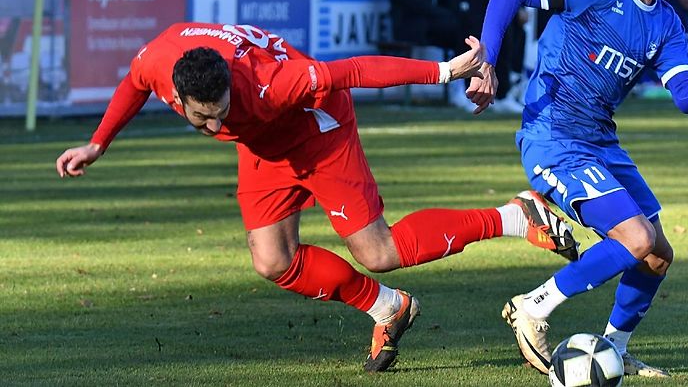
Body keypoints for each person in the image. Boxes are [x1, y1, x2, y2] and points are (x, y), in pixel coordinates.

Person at [55, 23, 579, 372]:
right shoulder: (160, 62)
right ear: (178, 94)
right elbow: (132, 83)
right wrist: (97, 143)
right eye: (202, 116)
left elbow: (352, 71)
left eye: (220, 109)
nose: (213, 123)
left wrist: (443, 71)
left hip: (317, 131)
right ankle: (387, 308)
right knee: (272, 260)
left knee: (380, 253)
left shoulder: (268, 83)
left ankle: (514, 215)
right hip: (263, 147)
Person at [465, 0, 688, 377]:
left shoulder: (668, 25)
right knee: (635, 238)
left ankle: (613, 347)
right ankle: (534, 306)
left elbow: (684, 97)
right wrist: (486, 62)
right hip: (553, 137)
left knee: (657, 253)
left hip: (600, 142)